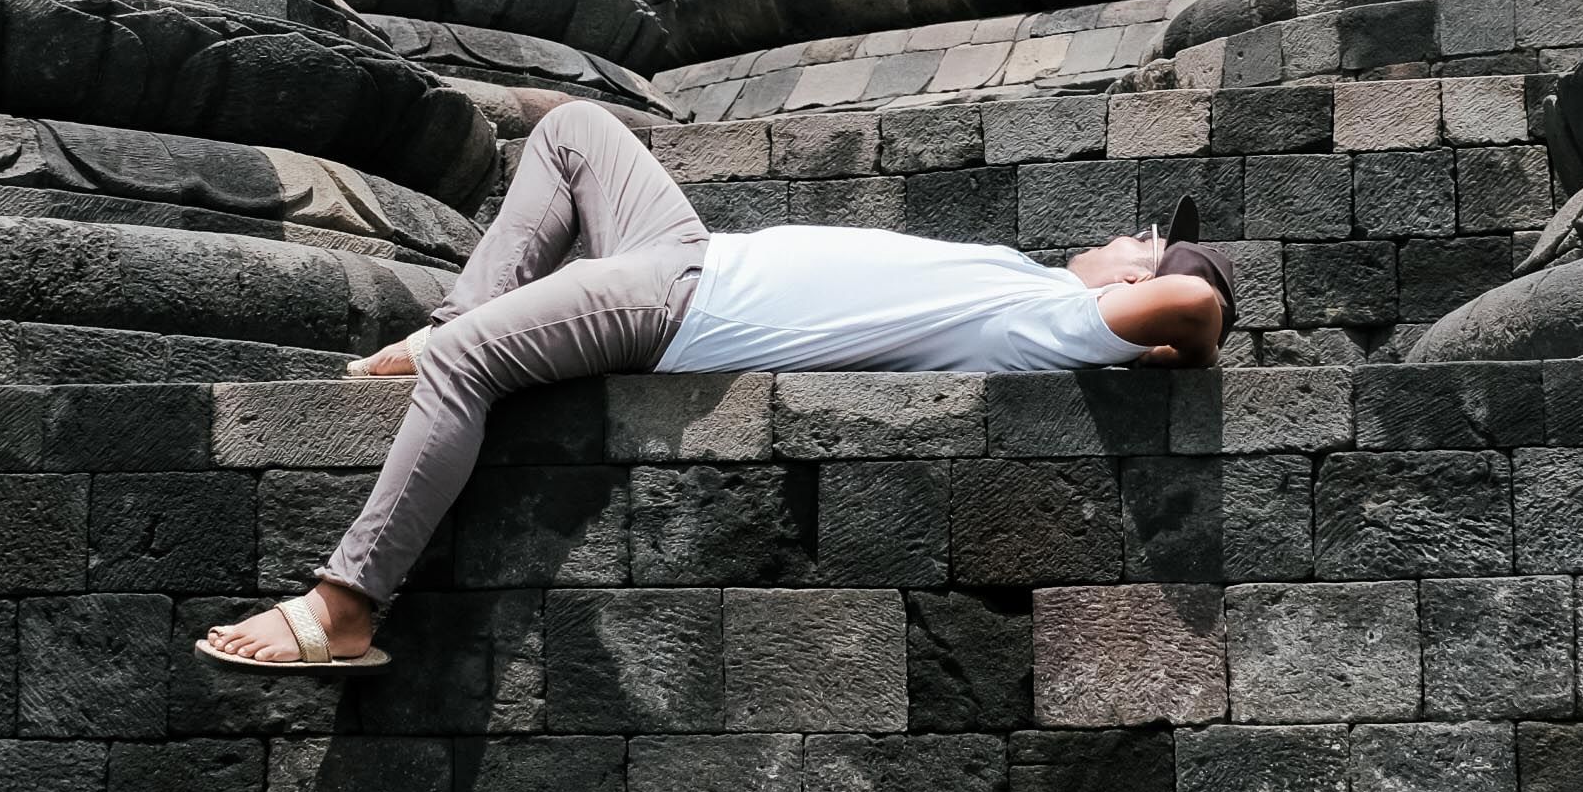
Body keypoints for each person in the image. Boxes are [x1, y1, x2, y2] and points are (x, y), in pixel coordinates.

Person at [196, 97, 1237, 676]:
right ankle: (455, 325)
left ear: (1141, 279)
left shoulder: (1049, 321)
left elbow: (1195, 317)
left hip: (682, 309)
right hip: (690, 252)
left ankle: (345, 604)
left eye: (1145, 242)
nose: (1128, 235)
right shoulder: (1028, 282)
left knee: (471, 368)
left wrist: (1174, 316)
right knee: (570, 132)